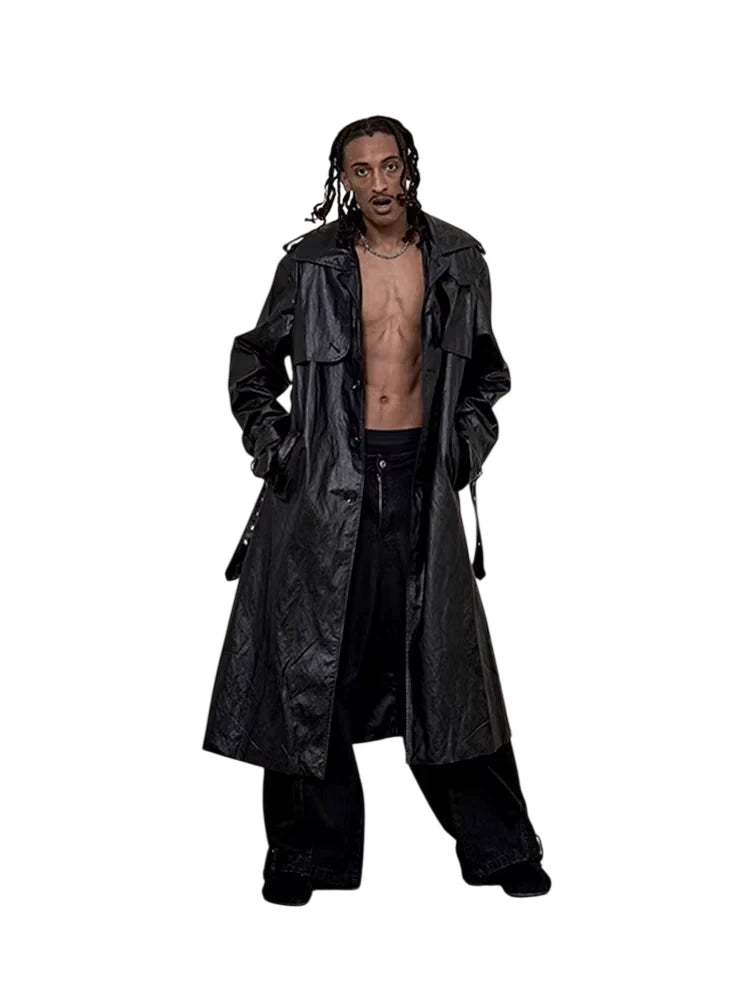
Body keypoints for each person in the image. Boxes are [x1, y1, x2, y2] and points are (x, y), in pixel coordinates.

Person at [203, 115, 551, 905]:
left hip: (420, 484)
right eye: (360, 172)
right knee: (311, 668)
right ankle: (304, 856)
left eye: (389, 166)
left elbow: (487, 376)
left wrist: (464, 447)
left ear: (410, 167)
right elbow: (252, 363)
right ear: (343, 180)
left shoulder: (458, 259)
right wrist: (277, 446)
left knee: (447, 671)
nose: (379, 184)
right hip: (323, 488)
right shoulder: (310, 264)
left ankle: (500, 848)